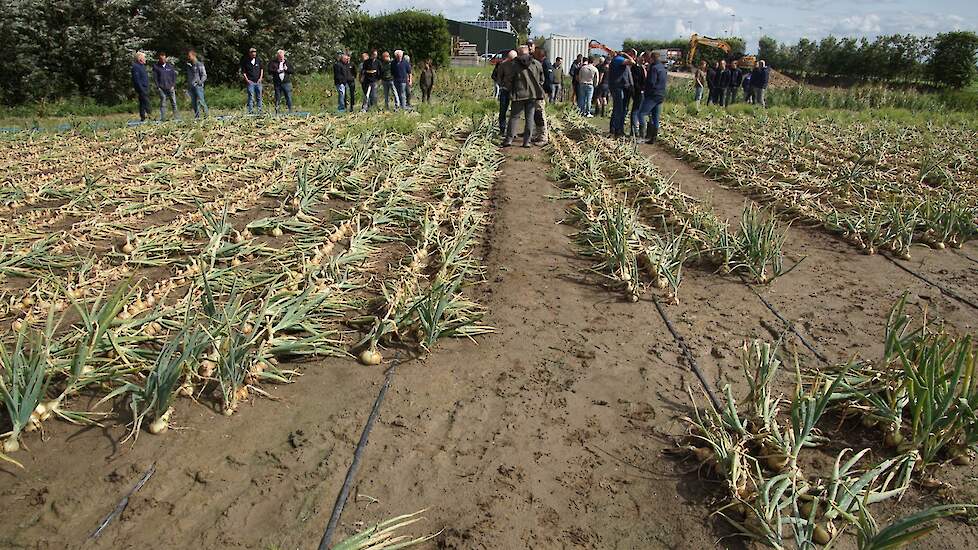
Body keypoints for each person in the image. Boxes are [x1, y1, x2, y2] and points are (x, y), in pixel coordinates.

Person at [502, 46, 544, 148]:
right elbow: (542, 79)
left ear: (519, 53)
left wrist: (510, 89)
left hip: (518, 94)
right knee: (529, 118)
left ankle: (509, 140)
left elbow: (508, 79)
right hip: (533, 95)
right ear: (528, 52)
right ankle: (526, 142)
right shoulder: (536, 64)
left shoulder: (514, 64)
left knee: (514, 117)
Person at [637, 52, 668, 144]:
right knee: (655, 117)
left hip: (652, 94)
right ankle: (653, 138)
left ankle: (642, 136)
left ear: (652, 58)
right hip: (661, 94)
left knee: (641, 114)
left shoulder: (653, 68)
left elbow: (651, 82)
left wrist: (646, 91)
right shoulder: (663, 68)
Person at [607, 50, 633, 138]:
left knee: (618, 108)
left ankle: (614, 128)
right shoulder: (618, 60)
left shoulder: (616, 61)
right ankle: (617, 129)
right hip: (618, 87)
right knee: (619, 109)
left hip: (618, 86)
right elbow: (632, 62)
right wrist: (626, 54)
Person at [494, 50, 517, 135]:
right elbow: (499, 77)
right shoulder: (503, 65)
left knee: (515, 113)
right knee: (503, 110)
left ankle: (512, 131)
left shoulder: (518, 65)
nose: (512, 61)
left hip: (515, 91)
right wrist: (502, 85)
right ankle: (502, 129)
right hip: (505, 90)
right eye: (510, 59)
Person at [532, 48, 552, 145]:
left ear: (540, 54)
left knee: (540, 115)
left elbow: (548, 79)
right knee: (537, 115)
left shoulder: (545, 63)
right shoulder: (541, 63)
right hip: (537, 93)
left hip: (541, 93)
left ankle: (543, 138)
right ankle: (538, 135)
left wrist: (547, 91)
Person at [152, 52, 178, 121]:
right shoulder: (156, 67)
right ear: (159, 59)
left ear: (165, 58)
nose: (163, 60)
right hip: (162, 88)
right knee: (163, 103)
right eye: (161, 59)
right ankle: (163, 118)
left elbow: (174, 77)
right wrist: (158, 87)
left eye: (164, 59)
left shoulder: (170, 66)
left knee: (174, 103)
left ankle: (176, 118)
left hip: (170, 88)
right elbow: (155, 78)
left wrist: (173, 85)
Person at [268, 49, 294, 114]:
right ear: (278, 56)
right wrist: (276, 71)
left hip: (286, 83)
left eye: (282, 56)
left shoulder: (287, 63)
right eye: (280, 56)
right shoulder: (273, 63)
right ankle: (277, 111)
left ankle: (290, 110)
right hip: (277, 83)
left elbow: (292, 71)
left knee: (288, 97)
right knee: (277, 97)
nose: (281, 57)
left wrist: (287, 69)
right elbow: (269, 71)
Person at [240, 47, 264, 114]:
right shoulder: (246, 61)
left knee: (259, 97)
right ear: (250, 53)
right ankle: (250, 111)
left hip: (258, 82)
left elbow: (262, 69)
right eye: (252, 52)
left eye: (255, 52)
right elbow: (244, 72)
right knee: (251, 97)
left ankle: (260, 111)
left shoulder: (258, 60)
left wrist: (260, 78)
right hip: (251, 82)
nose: (254, 54)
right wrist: (247, 80)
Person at [629, 51, 647, 136]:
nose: (644, 60)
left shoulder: (641, 68)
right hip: (638, 92)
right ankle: (636, 130)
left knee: (636, 111)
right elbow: (636, 81)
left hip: (640, 92)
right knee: (636, 111)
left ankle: (636, 130)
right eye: (642, 58)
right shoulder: (636, 68)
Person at [186, 50, 208, 118]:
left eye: (189, 56)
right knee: (194, 103)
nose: (188, 57)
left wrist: (200, 82)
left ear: (193, 56)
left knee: (201, 101)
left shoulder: (199, 64)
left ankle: (206, 116)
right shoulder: (189, 65)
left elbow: (204, 75)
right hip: (191, 86)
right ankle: (197, 117)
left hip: (198, 86)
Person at [131, 52, 150, 122]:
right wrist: (141, 89)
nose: (145, 59)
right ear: (140, 59)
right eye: (144, 57)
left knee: (142, 103)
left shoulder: (142, 66)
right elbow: (137, 80)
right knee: (146, 103)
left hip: (145, 87)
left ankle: (143, 117)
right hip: (141, 88)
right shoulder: (136, 67)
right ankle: (150, 115)